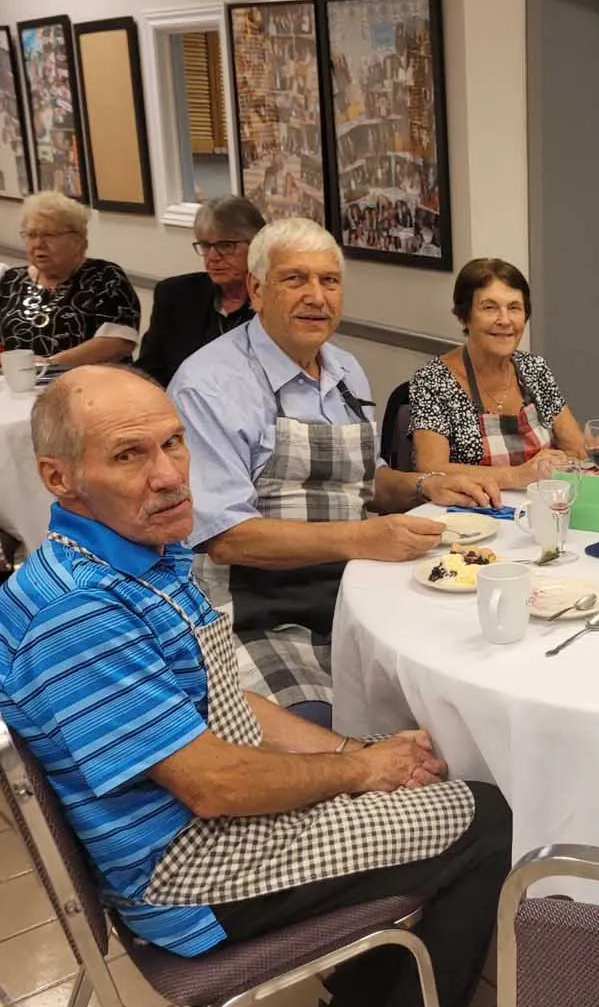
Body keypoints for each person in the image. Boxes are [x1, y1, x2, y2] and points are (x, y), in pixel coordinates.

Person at [0, 366, 510, 1007]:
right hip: (191, 873)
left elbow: (224, 701)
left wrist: (357, 752)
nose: (168, 474)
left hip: (202, 825)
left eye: (173, 444)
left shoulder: (130, 557)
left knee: (423, 782)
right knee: (488, 817)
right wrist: (359, 771)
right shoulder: (83, 612)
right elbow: (213, 786)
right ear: (58, 477)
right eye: (129, 455)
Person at [167, 219, 493, 725]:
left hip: (357, 595)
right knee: (323, 728)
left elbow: (366, 479)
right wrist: (364, 539)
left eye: (330, 281)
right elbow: (227, 537)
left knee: (465, 690)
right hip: (254, 614)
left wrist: (426, 484)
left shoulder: (344, 369)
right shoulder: (209, 385)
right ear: (255, 289)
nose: (316, 297)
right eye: (295, 279)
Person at [408, 258, 586, 488]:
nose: (504, 320)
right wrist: (516, 476)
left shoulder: (535, 369)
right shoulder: (432, 380)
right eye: (490, 308)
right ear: (464, 316)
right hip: (470, 514)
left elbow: (576, 449)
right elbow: (431, 468)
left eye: (514, 308)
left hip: (539, 507)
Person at [135, 196, 265, 387]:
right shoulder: (175, 294)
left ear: (256, 246)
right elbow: (149, 370)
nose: (212, 257)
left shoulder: (272, 301)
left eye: (226, 246)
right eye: (205, 245)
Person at [0, 191, 139, 367]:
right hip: (13, 386)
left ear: (78, 240)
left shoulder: (105, 277)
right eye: (31, 235)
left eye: (49, 235)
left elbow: (118, 342)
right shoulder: (11, 280)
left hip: (87, 384)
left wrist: (48, 366)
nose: (38, 244)